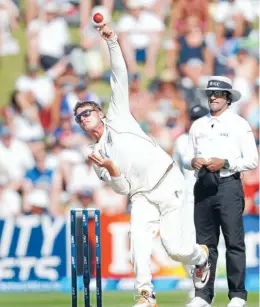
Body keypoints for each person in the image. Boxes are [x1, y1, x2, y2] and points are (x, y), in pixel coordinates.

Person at [73, 24, 210, 307]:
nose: (84, 118)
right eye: (79, 118)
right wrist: (110, 168)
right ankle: (146, 295)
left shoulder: (118, 115)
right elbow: (121, 188)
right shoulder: (95, 153)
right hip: (140, 196)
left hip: (167, 181)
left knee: (176, 249)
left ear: (99, 112)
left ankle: (202, 258)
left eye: (87, 112)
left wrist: (112, 42)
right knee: (139, 244)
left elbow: (119, 75)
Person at [183, 76, 258, 307]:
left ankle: (237, 295)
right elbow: (186, 156)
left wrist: (225, 163)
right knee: (205, 245)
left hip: (228, 185)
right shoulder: (198, 125)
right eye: (210, 94)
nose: (213, 97)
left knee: (234, 242)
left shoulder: (239, 123)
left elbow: (252, 160)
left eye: (218, 94)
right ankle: (203, 296)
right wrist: (193, 161)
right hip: (203, 186)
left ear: (228, 98)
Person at [173, 105, 209, 299]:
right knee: (182, 246)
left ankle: (201, 289)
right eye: (192, 118)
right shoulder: (180, 141)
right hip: (186, 200)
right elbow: (174, 171)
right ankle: (196, 279)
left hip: (208, 198)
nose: (195, 122)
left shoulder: (215, 140)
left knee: (205, 242)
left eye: (199, 118)